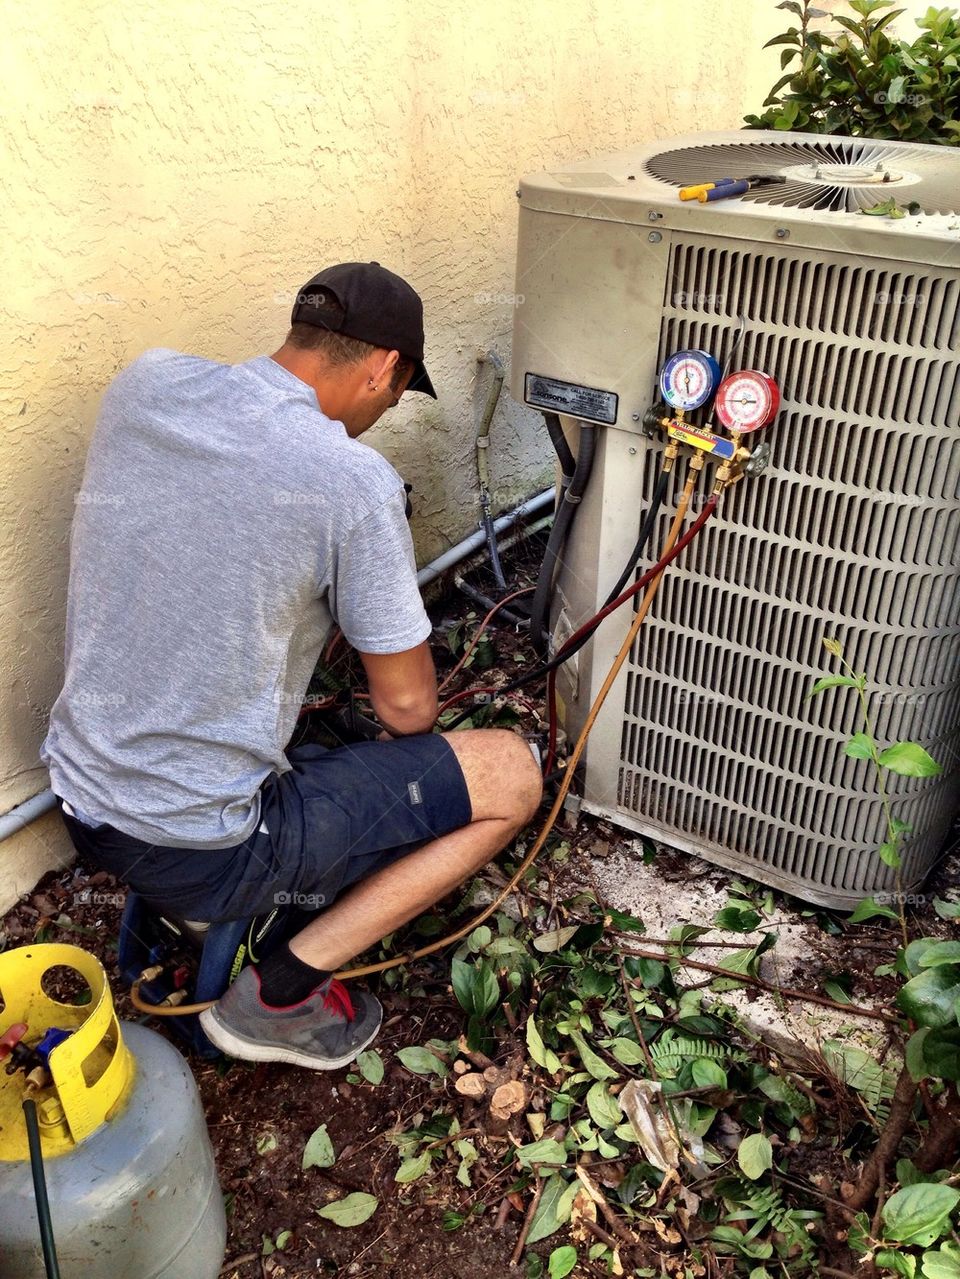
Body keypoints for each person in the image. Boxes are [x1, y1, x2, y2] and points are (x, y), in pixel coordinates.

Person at [41, 261, 543, 1070]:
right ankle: (277, 994)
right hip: (203, 846)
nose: (378, 417)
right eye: (393, 396)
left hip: (81, 799)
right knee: (512, 774)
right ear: (385, 367)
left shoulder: (147, 387)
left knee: (324, 737)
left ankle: (214, 923)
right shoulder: (351, 480)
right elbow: (409, 711)